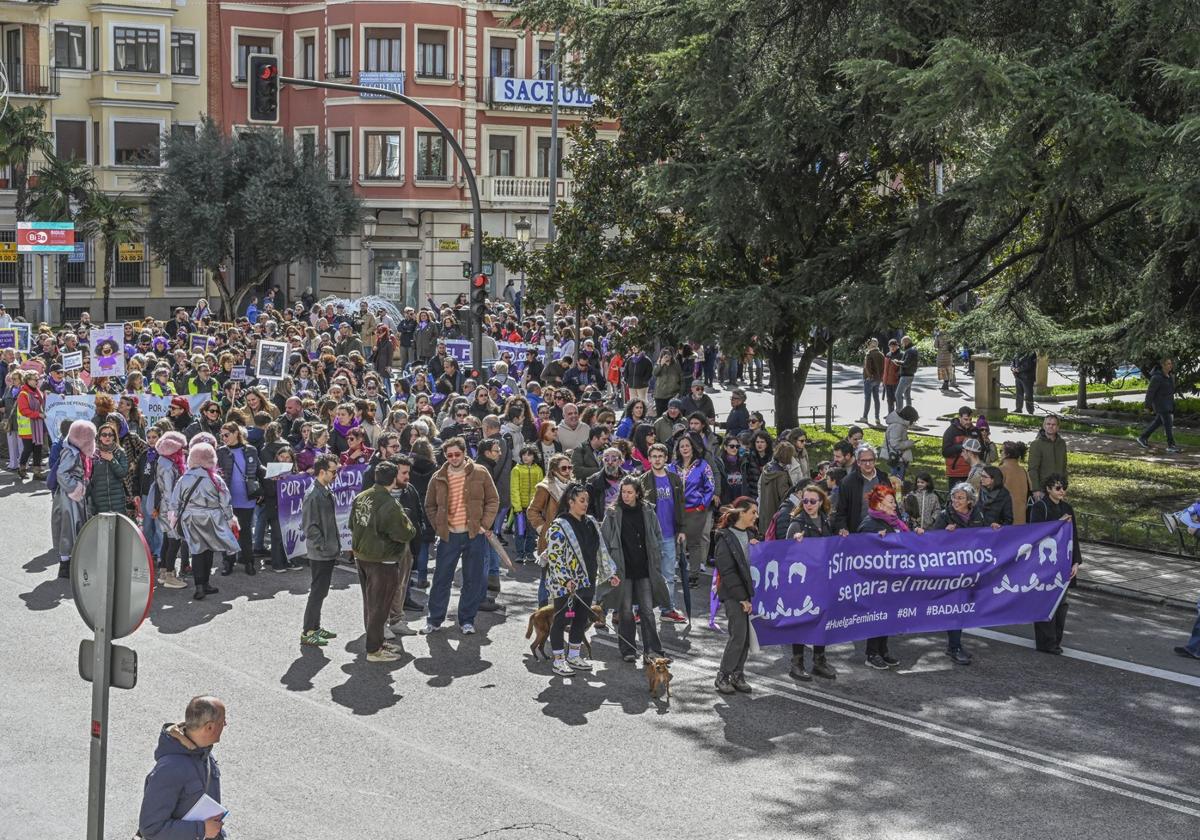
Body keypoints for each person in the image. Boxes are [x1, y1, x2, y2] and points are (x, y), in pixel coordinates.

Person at [422, 436, 499, 636]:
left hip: (474, 534)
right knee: (441, 579)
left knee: (472, 579)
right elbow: (429, 505)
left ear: (465, 453)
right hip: (449, 535)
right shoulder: (438, 476)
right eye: (449, 455)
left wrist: (484, 524)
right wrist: (438, 526)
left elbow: (493, 500)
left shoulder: (481, 473)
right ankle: (434, 620)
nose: (454, 458)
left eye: (457, 454)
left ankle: (467, 620)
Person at [543, 483, 617, 676]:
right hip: (565, 585)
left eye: (587, 501)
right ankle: (558, 660)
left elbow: (601, 550)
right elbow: (555, 557)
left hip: (587, 580)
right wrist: (566, 580)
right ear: (570, 502)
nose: (585, 505)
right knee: (561, 620)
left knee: (580, 618)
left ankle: (574, 655)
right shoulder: (558, 526)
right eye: (581, 501)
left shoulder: (591, 522)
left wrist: (610, 573)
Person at [598, 477, 671, 663]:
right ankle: (628, 650)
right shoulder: (613, 513)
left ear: (638, 493)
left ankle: (653, 651)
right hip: (623, 570)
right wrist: (609, 571)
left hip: (645, 569)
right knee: (625, 611)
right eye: (624, 492)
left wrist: (657, 559)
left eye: (630, 492)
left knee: (647, 610)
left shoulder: (647, 511)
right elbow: (604, 543)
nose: (626, 495)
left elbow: (657, 535)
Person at [350, 460, 417, 662]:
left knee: (372, 604)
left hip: (362, 556)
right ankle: (374, 650)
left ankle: (377, 642)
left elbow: (352, 524)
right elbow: (404, 533)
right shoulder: (389, 503)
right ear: (393, 478)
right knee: (380, 607)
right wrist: (409, 524)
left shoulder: (362, 497)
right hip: (383, 560)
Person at [137, 695, 227, 840]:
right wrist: (202, 829)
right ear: (209, 727)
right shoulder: (170, 769)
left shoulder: (204, 754)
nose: (225, 724)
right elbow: (151, 828)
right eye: (223, 722)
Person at [856, 483, 920, 668]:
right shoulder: (870, 524)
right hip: (877, 582)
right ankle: (872, 653)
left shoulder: (895, 522)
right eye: (891, 502)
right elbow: (861, 554)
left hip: (894, 579)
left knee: (887, 616)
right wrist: (877, 541)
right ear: (879, 504)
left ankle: (883, 650)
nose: (895, 505)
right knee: (877, 616)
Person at [171, 442, 239, 601]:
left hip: (191, 518)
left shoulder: (184, 478)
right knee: (208, 549)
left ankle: (199, 586)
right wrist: (230, 520)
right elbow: (225, 502)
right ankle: (206, 583)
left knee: (196, 550)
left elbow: (174, 502)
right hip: (212, 518)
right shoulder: (215, 479)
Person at [784, 484, 838, 680]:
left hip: (822, 580)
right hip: (802, 582)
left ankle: (819, 660)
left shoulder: (826, 522)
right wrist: (794, 543)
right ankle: (796, 663)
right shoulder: (797, 524)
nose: (808, 504)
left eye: (812, 501)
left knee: (821, 620)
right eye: (805, 501)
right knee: (801, 620)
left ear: (821, 502)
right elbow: (785, 555)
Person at [931, 482, 987, 664]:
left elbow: (986, 538)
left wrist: (994, 530)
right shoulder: (945, 516)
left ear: (970, 501)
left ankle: (954, 645)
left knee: (962, 609)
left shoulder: (978, 515)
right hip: (951, 572)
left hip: (971, 570)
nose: (955, 500)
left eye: (960, 498)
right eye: (954, 497)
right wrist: (944, 533)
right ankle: (954, 647)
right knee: (955, 607)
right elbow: (931, 541)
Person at [1028, 473, 1082, 654]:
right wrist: (1058, 523)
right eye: (1058, 488)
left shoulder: (1068, 507)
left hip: (1063, 561)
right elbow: (1035, 533)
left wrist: (1076, 561)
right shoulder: (1039, 507)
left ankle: (1056, 640)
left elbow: (1073, 537)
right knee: (1046, 599)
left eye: (1064, 487)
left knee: (1061, 602)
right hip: (1045, 561)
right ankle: (1046, 642)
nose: (1062, 491)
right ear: (1048, 489)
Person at [712, 496, 758, 694]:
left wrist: (759, 549)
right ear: (741, 512)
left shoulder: (751, 534)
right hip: (734, 595)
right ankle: (723, 675)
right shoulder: (725, 537)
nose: (756, 516)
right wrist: (742, 598)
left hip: (748, 594)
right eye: (753, 512)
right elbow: (727, 572)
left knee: (747, 638)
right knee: (738, 635)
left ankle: (737, 674)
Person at [216, 422, 262, 576]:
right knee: (227, 532)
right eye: (221, 435)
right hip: (227, 499)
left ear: (236, 433)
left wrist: (274, 475)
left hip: (246, 497)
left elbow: (258, 469)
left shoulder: (251, 450)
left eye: (226, 435)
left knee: (246, 532)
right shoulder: (220, 452)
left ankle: (248, 562)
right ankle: (228, 562)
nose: (224, 438)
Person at [52, 420, 96, 579]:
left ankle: (72, 562)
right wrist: (76, 488)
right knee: (68, 528)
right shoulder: (72, 452)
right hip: (69, 497)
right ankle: (65, 565)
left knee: (76, 527)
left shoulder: (80, 451)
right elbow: (62, 474)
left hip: (75, 496)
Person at [671, 432, 716, 583]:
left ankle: (694, 575)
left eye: (687, 446)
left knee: (694, 543)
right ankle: (678, 573)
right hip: (677, 511)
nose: (684, 448)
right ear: (678, 449)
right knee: (677, 542)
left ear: (693, 447)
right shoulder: (672, 467)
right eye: (681, 446)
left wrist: (702, 504)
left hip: (695, 511)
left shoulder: (703, 465)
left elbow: (710, 486)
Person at [834, 444, 890, 536]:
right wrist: (842, 528)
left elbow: (892, 506)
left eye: (870, 460)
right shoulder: (847, 482)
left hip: (882, 533)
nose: (867, 464)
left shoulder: (883, 479)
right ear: (858, 462)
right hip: (857, 535)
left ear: (875, 461)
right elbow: (841, 512)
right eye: (864, 461)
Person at [1138, 357, 1180, 452]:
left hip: (1168, 404)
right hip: (1161, 405)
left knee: (1157, 423)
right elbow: (1150, 393)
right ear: (1163, 365)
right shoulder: (1156, 377)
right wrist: (1147, 407)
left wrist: (1173, 404)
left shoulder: (1170, 377)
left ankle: (1143, 437)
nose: (1170, 365)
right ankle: (1171, 445)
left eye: (1171, 363)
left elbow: (1170, 392)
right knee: (1168, 424)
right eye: (1168, 364)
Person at [88, 421, 129, 514]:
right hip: (99, 499)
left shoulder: (120, 452)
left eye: (110, 435)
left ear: (114, 437)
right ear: (99, 437)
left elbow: (122, 473)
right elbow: (88, 477)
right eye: (104, 434)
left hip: (117, 499)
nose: (107, 437)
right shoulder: (93, 454)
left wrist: (112, 460)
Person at [16, 370, 47, 480]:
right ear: (28, 380)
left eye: (38, 379)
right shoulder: (23, 394)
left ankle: (37, 472)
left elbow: (44, 404)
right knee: (28, 449)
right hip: (28, 428)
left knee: (38, 449)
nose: (37, 382)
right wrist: (38, 414)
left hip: (38, 426)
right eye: (35, 379)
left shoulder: (38, 392)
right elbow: (24, 410)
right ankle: (22, 468)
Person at [1027, 415, 1067, 499]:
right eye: (1048, 424)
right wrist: (1036, 489)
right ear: (1044, 426)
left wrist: (1064, 485)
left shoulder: (1062, 443)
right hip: (1042, 489)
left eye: (1053, 424)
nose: (1050, 426)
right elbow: (1032, 469)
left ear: (1058, 427)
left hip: (1058, 488)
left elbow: (1064, 466)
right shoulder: (1036, 444)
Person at [941, 406, 979, 491]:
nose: (968, 422)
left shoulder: (975, 431)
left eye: (970, 419)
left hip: (972, 471)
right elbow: (945, 452)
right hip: (956, 473)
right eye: (966, 419)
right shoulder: (951, 431)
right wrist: (961, 446)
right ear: (960, 418)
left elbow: (981, 449)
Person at [998, 440, 1031, 524]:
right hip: (1022, 519)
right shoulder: (1024, 471)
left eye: (1001, 451)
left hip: (1004, 520)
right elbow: (1031, 490)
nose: (1000, 453)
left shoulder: (1001, 470)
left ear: (1007, 454)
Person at [882, 405, 918, 479]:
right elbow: (895, 444)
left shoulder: (899, 425)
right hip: (897, 458)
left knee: (897, 480)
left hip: (897, 457)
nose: (913, 423)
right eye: (913, 421)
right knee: (897, 480)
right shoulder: (898, 426)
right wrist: (909, 443)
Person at [859, 338, 885, 424]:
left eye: (869, 344)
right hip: (877, 380)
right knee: (876, 398)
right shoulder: (881, 355)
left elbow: (867, 366)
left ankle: (865, 417)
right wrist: (880, 378)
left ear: (871, 345)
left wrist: (869, 376)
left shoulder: (869, 354)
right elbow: (883, 369)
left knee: (867, 398)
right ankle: (877, 418)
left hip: (869, 379)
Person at [651, 348, 683, 416]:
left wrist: (679, 393)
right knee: (660, 416)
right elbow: (654, 374)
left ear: (671, 356)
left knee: (672, 416)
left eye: (668, 355)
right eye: (664, 356)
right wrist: (661, 364)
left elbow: (682, 379)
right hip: (659, 396)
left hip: (672, 395)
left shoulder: (676, 365)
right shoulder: (659, 364)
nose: (667, 358)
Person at [893, 335, 919, 409]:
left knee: (898, 394)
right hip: (909, 375)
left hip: (906, 376)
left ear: (906, 342)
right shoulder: (912, 349)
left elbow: (906, 363)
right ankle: (909, 413)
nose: (902, 345)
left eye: (902, 343)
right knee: (907, 395)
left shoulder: (910, 351)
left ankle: (899, 412)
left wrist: (897, 362)